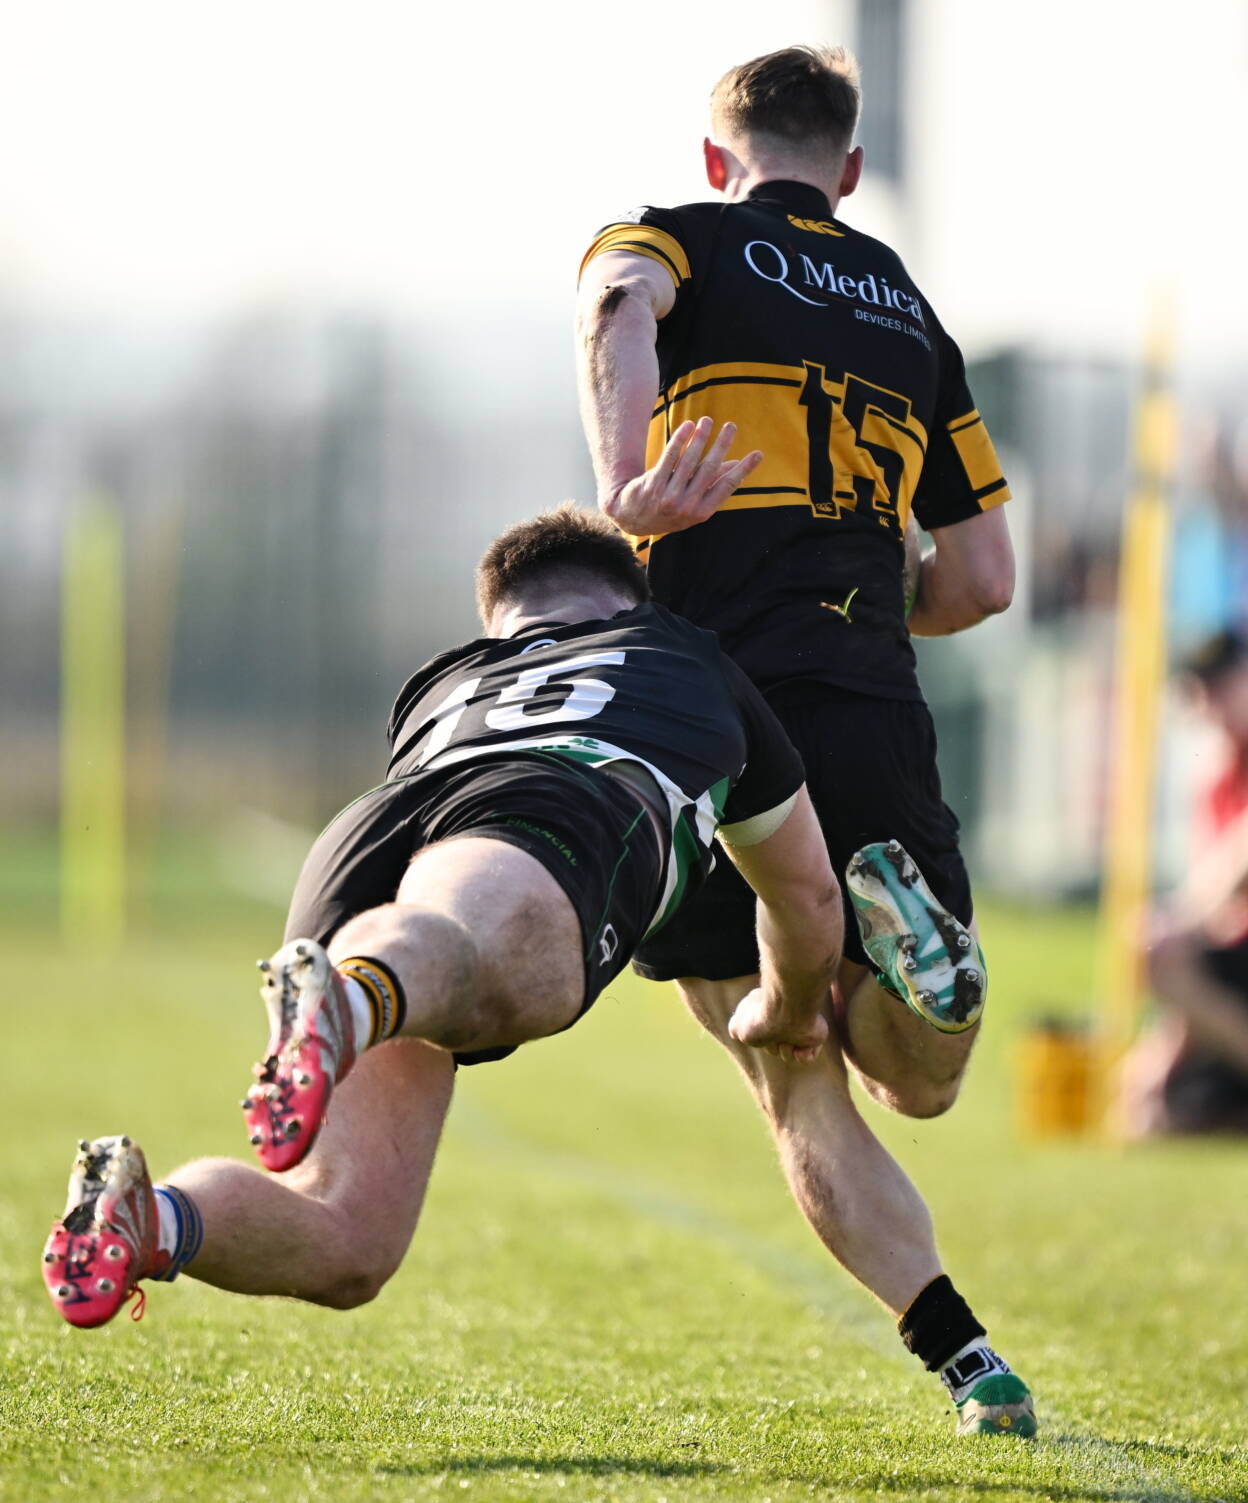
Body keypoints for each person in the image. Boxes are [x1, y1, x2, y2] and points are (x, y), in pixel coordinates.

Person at [43, 504, 842, 1324]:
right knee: (509, 973)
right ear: (628, 600)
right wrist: (791, 1005)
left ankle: (149, 1221)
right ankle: (343, 1002)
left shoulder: (442, 675)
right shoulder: (683, 651)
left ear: (499, 618)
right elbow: (809, 895)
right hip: (546, 796)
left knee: (350, 1237)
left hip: (367, 831)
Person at [576, 44, 1033, 1436]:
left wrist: (628, 485)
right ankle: (926, 966)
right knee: (918, 1072)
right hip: (869, 690)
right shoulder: (908, 308)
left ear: (726, 160)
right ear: (842, 171)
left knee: (790, 1065)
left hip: (724, 706)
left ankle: (965, 1356)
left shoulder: (682, 235)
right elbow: (984, 578)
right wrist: (873, 576)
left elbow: (615, 300)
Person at [1123, 629, 1248, 1134]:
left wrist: (1181, 920)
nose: (1212, 704)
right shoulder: (1217, 781)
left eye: (1222, 687)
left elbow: (1232, 867)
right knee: (1156, 1118)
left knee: (1161, 945)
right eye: (1202, 691)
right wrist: (1156, 1061)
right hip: (1237, 965)